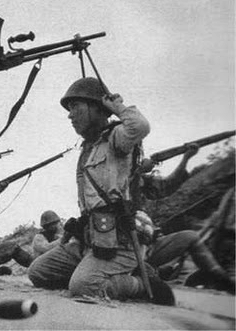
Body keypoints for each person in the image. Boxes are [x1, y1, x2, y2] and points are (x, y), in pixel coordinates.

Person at [28, 77, 175, 305]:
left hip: (118, 240)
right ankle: (107, 271)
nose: (70, 114)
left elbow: (141, 126)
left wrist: (116, 106)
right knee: (38, 272)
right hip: (90, 238)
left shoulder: (116, 139)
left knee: (82, 287)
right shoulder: (87, 148)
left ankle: (141, 285)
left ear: (97, 108)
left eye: (75, 106)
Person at [137, 145, 235, 293]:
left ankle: (222, 280)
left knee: (191, 237)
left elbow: (165, 187)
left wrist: (185, 158)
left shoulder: (139, 179)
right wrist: (139, 170)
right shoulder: (112, 176)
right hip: (122, 247)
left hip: (145, 245)